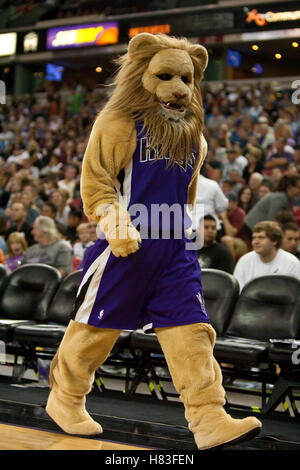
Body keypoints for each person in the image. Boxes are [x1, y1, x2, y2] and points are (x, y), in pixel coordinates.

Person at [46, 33, 261, 450]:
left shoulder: (194, 140)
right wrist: (114, 221)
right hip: (125, 245)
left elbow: (187, 197)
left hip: (174, 247)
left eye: (186, 79)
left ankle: (208, 417)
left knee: (193, 332)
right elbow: (96, 187)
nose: (179, 89)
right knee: (95, 332)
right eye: (165, 76)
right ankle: (66, 399)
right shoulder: (117, 123)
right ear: (140, 75)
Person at [233, 221, 300, 291]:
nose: (256, 242)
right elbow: (238, 291)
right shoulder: (244, 260)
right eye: (254, 238)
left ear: (274, 241)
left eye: (261, 238)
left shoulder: (292, 263)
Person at [219, 192, 250, 260]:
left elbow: (231, 234)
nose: (226, 203)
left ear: (235, 203)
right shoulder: (221, 211)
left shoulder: (240, 213)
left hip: (242, 243)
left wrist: (224, 218)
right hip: (226, 238)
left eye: (229, 201)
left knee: (227, 240)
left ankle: (231, 265)